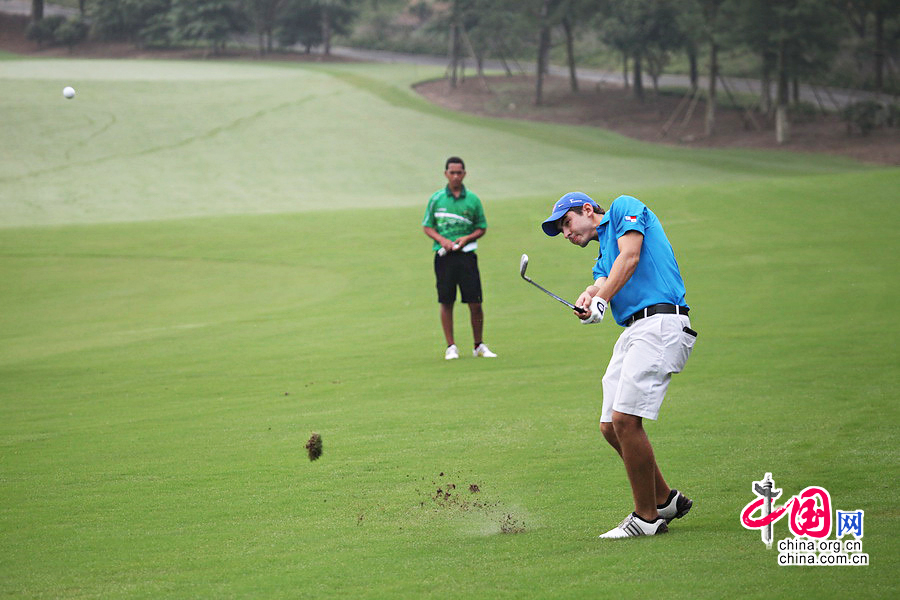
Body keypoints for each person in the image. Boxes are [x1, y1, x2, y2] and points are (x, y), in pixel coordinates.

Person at [541, 191, 697, 539]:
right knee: (610, 425)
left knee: (626, 420)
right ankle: (664, 499)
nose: (566, 233)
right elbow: (601, 279)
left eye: (566, 223)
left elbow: (630, 257)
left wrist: (603, 297)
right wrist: (589, 297)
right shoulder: (602, 253)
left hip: (660, 323)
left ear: (587, 210)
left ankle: (646, 518)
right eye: (561, 231)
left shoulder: (624, 208)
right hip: (634, 330)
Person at [422, 157, 497, 360]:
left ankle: (478, 345)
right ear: (446, 174)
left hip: (467, 256)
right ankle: (451, 346)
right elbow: (427, 226)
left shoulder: (472, 199)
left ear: (464, 174)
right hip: (444, 256)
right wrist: (442, 239)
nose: (455, 176)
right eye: (452, 172)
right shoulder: (436, 199)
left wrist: (467, 237)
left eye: (459, 172)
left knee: (475, 302)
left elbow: (481, 227)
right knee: (446, 301)